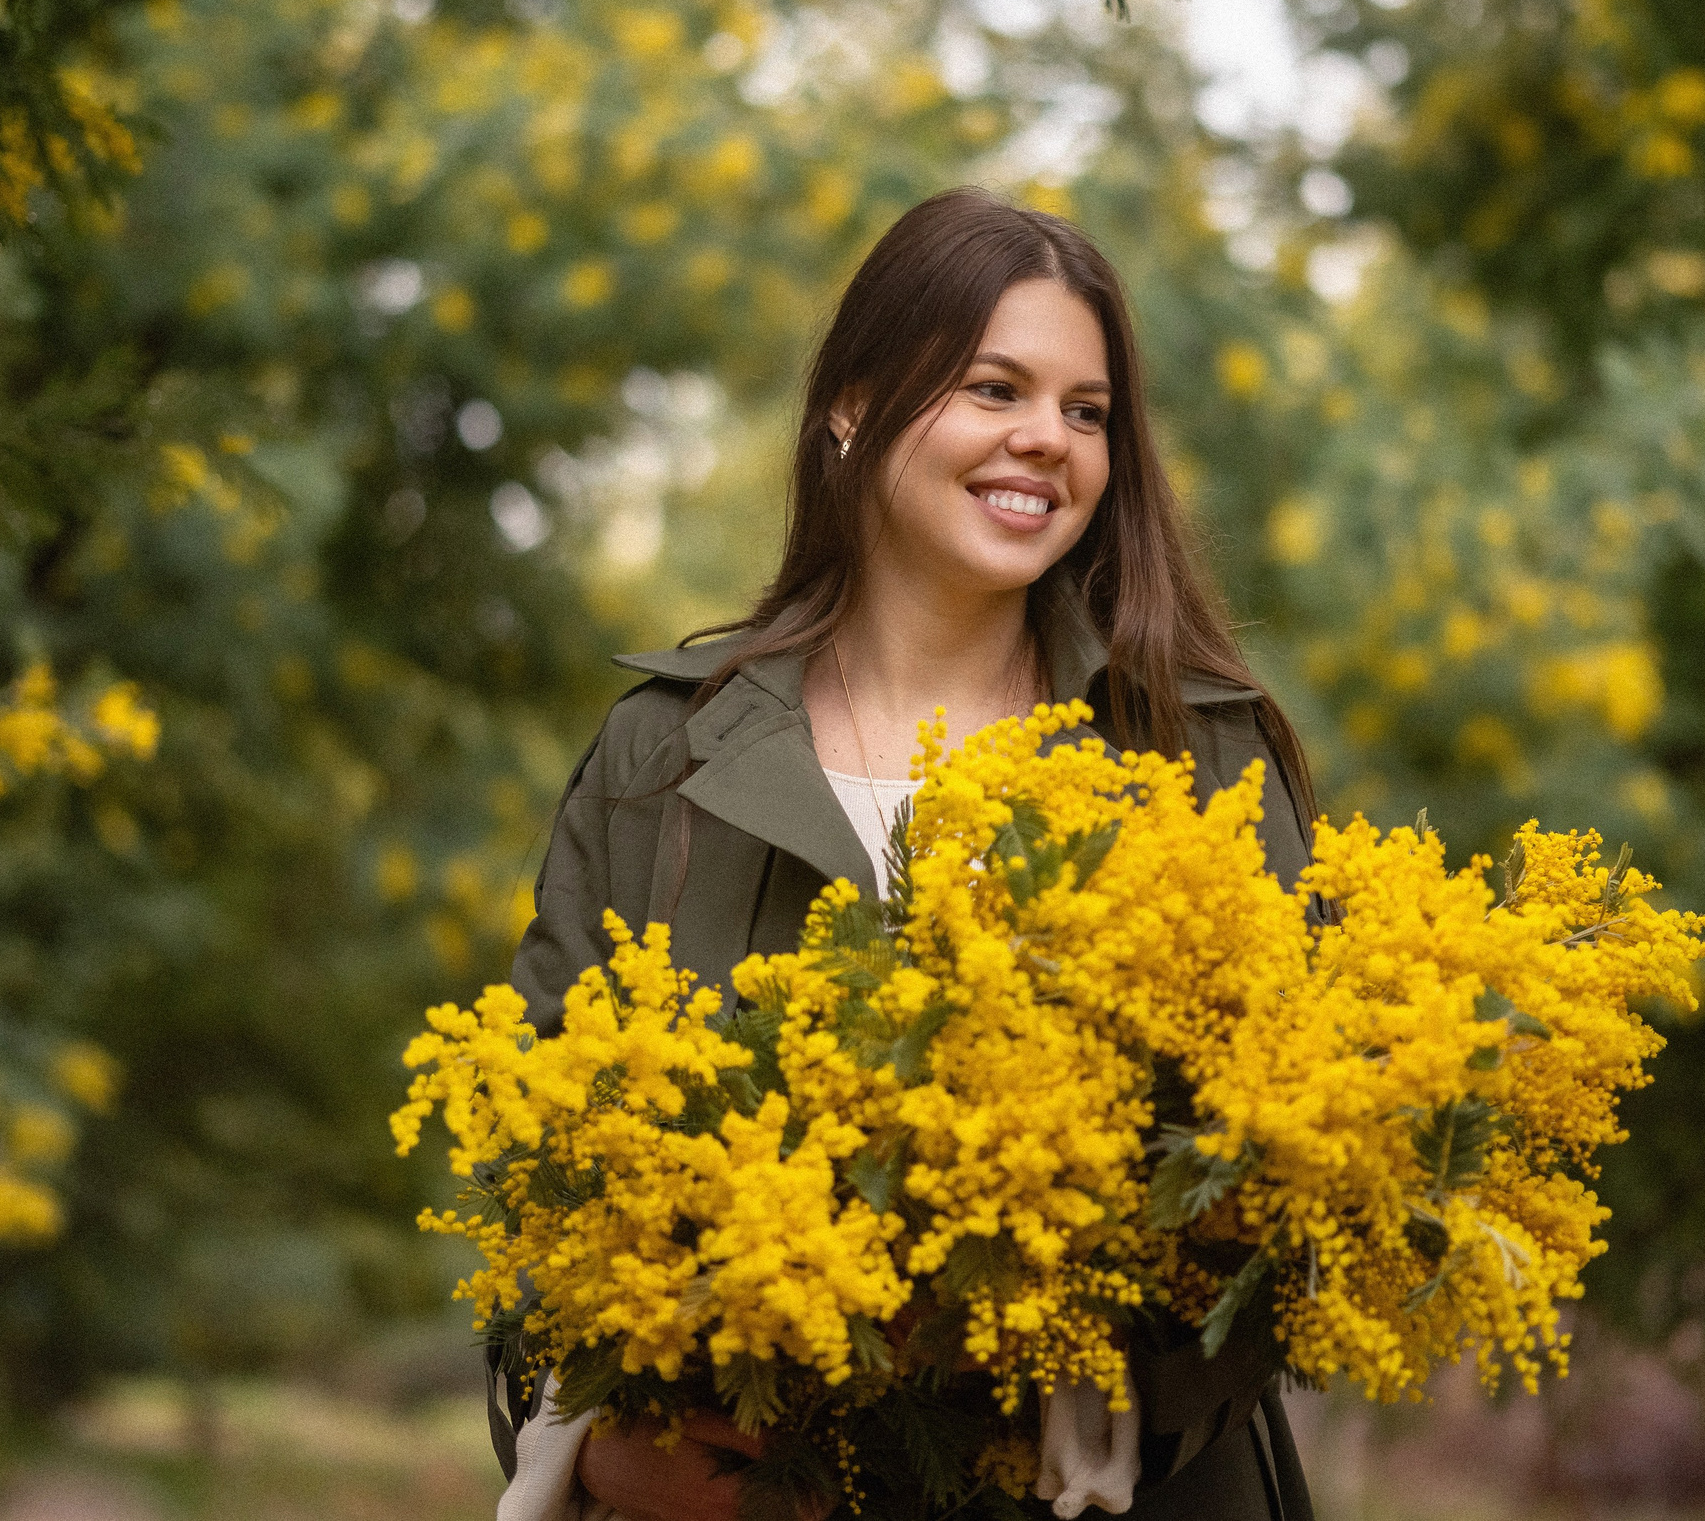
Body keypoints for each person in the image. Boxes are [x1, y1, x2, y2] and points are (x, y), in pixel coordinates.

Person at [493, 187, 1320, 1521]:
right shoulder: (662, 755)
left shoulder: (1196, 757)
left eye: (1088, 410)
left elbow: (1293, 1223)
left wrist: (1043, 1400)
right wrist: (614, 1451)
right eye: (996, 388)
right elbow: (530, 1178)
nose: (1046, 441)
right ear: (852, 404)